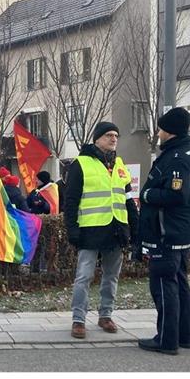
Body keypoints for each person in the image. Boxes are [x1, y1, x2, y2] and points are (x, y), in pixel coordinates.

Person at [137, 107, 190, 355]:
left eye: (161, 129)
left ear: (170, 131)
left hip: (166, 232)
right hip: (181, 231)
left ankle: (166, 340)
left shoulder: (176, 158)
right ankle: (185, 336)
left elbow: (177, 195)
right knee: (180, 284)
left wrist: (147, 194)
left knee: (164, 286)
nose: (159, 133)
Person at [64, 121, 138, 339]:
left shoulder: (119, 164)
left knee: (111, 277)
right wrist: (72, 229)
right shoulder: (81, 163)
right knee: (84, 276)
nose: (114, 139)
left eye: (116, 135)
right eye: (109, 135)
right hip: (90, 230)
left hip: (116, 229)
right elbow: (71, 201)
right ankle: (78, 319)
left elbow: (127, 199)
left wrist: (136, 227)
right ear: (97, 139)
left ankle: (106, 315)